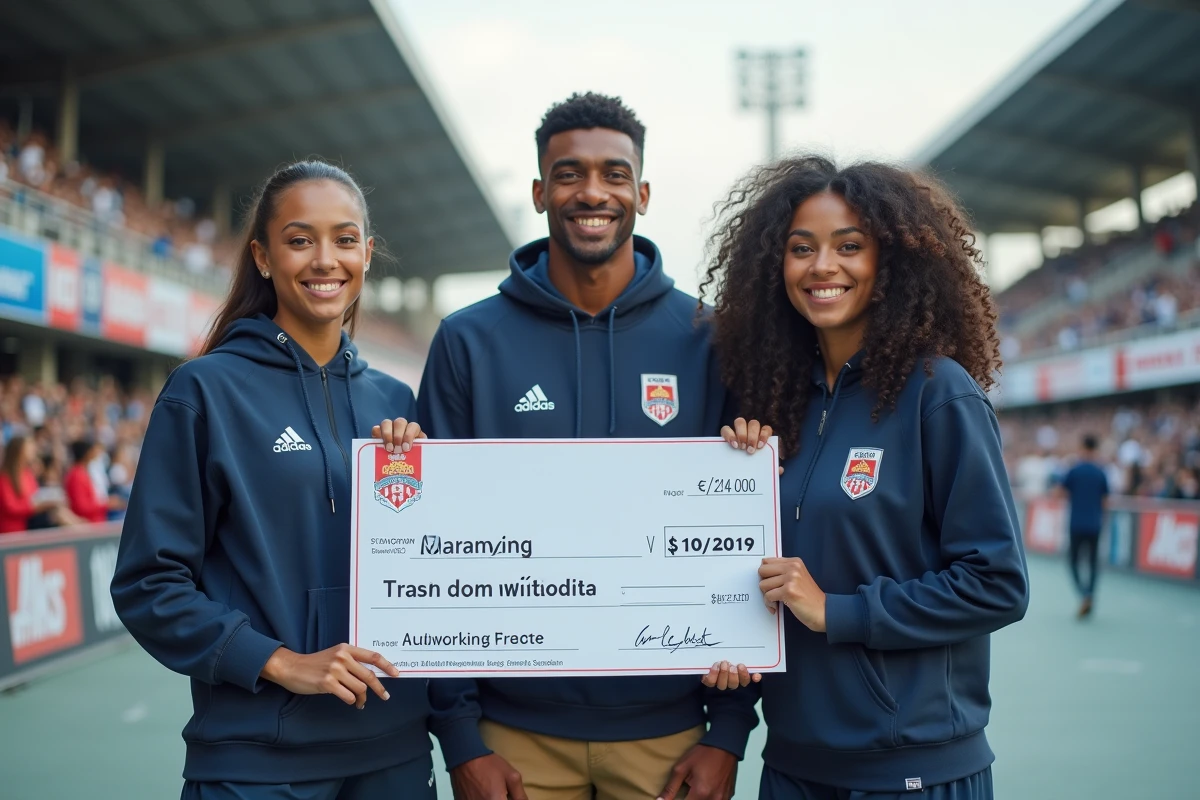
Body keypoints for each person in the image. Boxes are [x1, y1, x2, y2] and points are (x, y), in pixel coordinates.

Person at [411, 92, 758, 800]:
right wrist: (462, 740)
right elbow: (428, 538)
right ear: (540, 192)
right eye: (569, 174)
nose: (592, 192)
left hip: (669, 733)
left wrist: (726, 733)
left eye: (614, 173)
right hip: (512, 738)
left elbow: (741, 540)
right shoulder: (469, 340)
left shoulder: (712, 337)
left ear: (643, 192)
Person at [702, 156, 1029, 799]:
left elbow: (998, 584)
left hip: (911, 769)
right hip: (794, 764)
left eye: (849, 246)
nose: (823, 266)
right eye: (801, 249)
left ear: (892, 262)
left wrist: (837, 612)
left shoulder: (939, 393)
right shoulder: (775, 405)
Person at [109, 160, 431, 799]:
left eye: (344, 240)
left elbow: (440, 570)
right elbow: (149, 583)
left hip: (393, 752)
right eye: (299, 239)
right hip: (257, 760)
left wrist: (431, 487)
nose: (324, 260)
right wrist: (280, 663)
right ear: (262, 256)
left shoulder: (397, 402)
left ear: (366, 254)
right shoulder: (204, 391)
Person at [1056, 434, 1109, 618]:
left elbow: (1059, 493)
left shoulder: (1074, 470)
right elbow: (1106, 501)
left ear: (1082, 447)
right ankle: (1091, 594)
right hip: (1095, 523)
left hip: (1076, 523)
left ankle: (1084, 594)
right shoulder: (1101, 471)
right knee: (1093, 562)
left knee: (1073, 561)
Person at [0, 435, 78, 532]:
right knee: (56, 514)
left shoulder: (26, 473)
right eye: (29, 448)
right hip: (18, 523)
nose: (33, 451)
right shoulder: (5, 477)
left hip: (30, 516)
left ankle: (81, 528)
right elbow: (11, 507)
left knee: (58, 510)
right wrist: (36, 506)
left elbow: (35, 495)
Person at [64, 439, 117, 523]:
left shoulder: (81, 472)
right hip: (90, 523)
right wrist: (107, 504)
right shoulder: (77, 475)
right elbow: (82, 507)